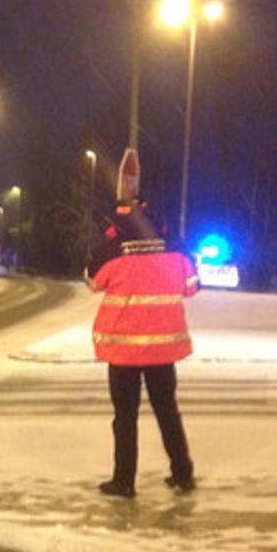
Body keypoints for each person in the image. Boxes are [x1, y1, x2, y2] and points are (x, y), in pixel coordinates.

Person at [85, 201, 199, 498]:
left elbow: (92, 280)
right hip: (162, 350)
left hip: (124, 349)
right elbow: (192, 286)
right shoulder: (175, 250)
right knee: (167, 411)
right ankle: (183, 473)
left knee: (125, 416)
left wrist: (108, 241)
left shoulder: (114, 251)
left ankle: (124, 481)